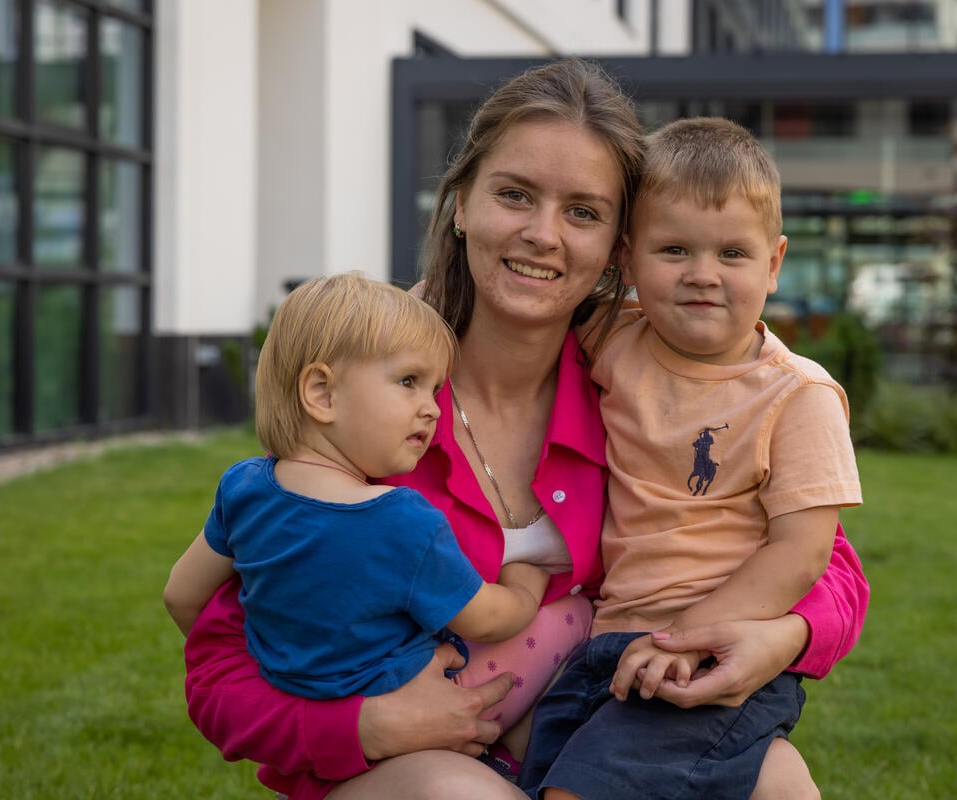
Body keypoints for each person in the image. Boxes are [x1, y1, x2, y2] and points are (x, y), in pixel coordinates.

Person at [177, 58, 869, 800]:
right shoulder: (372, 391)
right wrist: (366, 727)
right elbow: (220, 656)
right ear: (462, 204)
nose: (543, 235)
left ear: (618, 247)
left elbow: (826, 562)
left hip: (591, 729)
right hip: (401, 770)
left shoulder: (643, 376)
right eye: (515, 195)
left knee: (778, 781)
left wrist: (783, 636)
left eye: (583, 211)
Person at [517, 118, 862, 800]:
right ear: (626, 259)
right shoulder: (613, 336)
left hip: (715, 649)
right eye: (674, 249)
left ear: (774, 263)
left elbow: (802, 552)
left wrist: (683, 637)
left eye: (732, 253)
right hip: (607, 644)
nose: (702, 275)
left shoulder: (798, 396)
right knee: (539, 774)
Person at [162, 273, 552, 713]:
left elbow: (180, 595)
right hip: (411, 718)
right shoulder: (401, 520)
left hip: (295, 713)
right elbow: (486, 619)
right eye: (409, 381)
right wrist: (526, 587)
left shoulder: (244, 488)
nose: (433, 408)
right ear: (322, 393)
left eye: (436, 389)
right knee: (568, 635)